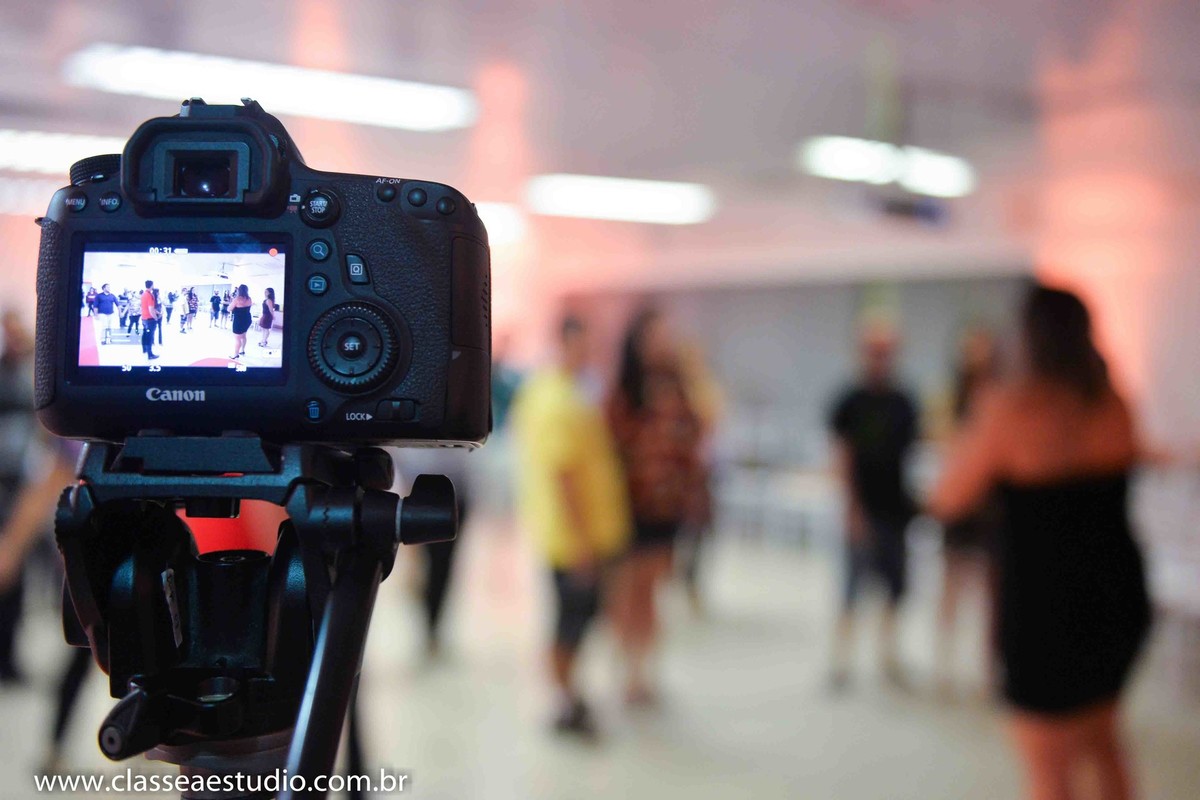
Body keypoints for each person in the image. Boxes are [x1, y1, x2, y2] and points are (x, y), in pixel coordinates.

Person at [930, 286, 1150, 800]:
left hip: (1045, 607)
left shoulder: (1010, 410)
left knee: (1049, 772)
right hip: (1116, 593)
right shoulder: (1113, 404)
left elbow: (948, 498)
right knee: (1104, 743)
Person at [512, 315, 631, 737]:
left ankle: (569, 696)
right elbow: (562, 475)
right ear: (562, 343)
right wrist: (581, 541)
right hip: (573, 538)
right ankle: (563, 700)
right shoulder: (555, 399)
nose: (587, 355)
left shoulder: (569, 391)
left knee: (579, 621)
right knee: (569, 624)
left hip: (587, 533)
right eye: (580, 346)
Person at [606, 307, 703, 705]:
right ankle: (626, 666)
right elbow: (611, 446)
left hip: (666, 507)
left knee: (652, 589)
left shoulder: (679, 389)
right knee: (627, 590)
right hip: (629, 505)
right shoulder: (624, 393)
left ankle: (644, 669)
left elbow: (695, 438)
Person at [828, 321, 919, 690]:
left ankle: (888, 656)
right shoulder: (850, 401)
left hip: (895, 508)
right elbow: (841, 455)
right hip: (862, 507)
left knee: (895, 589)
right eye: (874, 352)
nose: (880, 359)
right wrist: (851, 507)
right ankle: (842, 661)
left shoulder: (904, 402)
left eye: (886, 352)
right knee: (851, 589)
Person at [936, 327, 1002, 696]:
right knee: (952, 584)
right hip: (962, 504)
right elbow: (948, 446)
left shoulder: (1001, 397)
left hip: (991, 507)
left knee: (992, 592)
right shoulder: (954, 399)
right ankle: (944, 665)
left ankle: (987, 671)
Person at [229, 284, 253, 359]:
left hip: (239, 320)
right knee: (244, 335)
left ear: (239, 290)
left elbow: (229, 309)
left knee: (237, 338)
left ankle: (236, 354)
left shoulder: (237, 299)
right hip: (247, 319)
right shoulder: (249, 299)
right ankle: (242, 350)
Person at [139, 280, 159, 360]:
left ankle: (144, 349)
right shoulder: (150, 295)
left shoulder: (143, 294)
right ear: (152, 285)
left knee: (145, 335)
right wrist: (155, 317)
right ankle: (150, 354)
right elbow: (151, 309)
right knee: (150, 337)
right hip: (149, 319)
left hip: (144, 318)